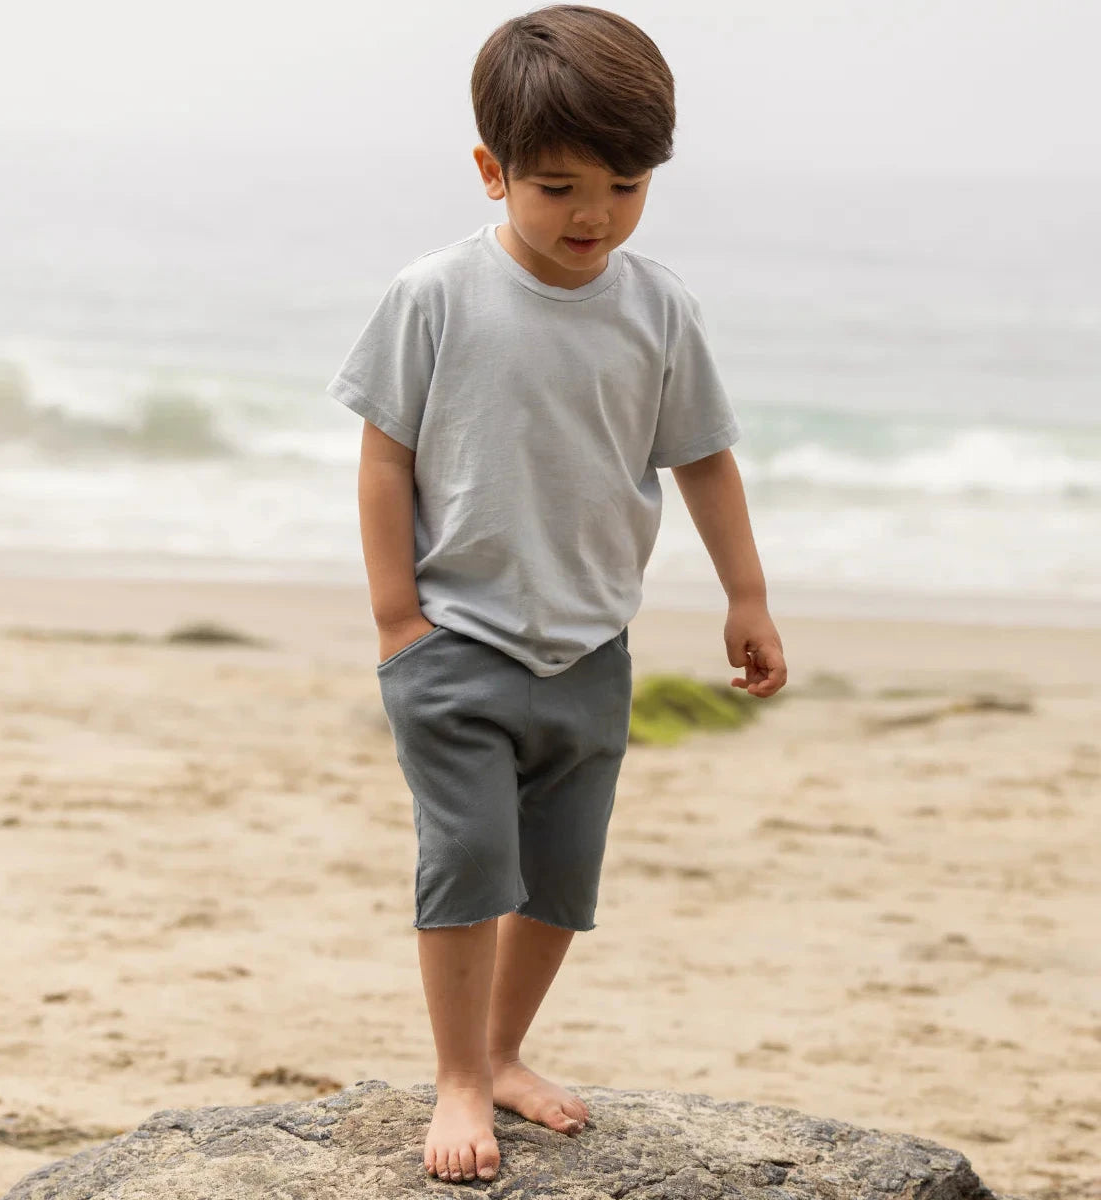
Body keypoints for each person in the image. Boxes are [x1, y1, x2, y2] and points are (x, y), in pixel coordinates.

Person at [326, 3, 787, 1184]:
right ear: (493, 173)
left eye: (626, 186)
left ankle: (507, 1049)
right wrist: (397, 620)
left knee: (561, 883)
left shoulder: (659, 308)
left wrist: (748, 596)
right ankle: (459, 1078)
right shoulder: (435, 295)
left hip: (592, 648)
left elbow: (704, 458)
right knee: (471, 859)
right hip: (457, 641)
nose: (594, 217)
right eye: (558, 188)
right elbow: (385, 453)